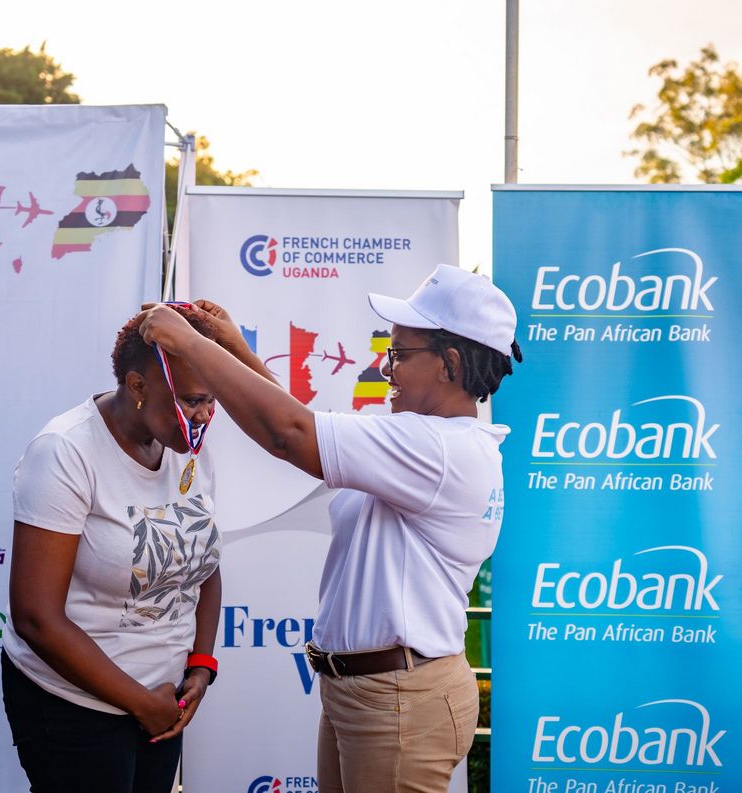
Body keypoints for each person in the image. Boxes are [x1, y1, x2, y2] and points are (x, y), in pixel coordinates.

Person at [138, 264, 521, 793]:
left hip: (397, 698)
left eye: (399, 354)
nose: (386, 368)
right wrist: (232, 348)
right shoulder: (426, 441)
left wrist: (188, 342)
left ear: (450, 363)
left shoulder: (436, 449)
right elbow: (301, 425)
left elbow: (289, 432)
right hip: (371, 691)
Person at [0, 305, 270, 793]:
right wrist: (141, 704)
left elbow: (202, 565)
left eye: (212, 400)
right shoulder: (65, 451)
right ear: (138, 385)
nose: (205, 415)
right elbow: (36, 617)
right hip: (75, 705)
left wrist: (201, 665)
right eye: (193, 400)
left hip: (165, 701)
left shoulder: (185, 448)